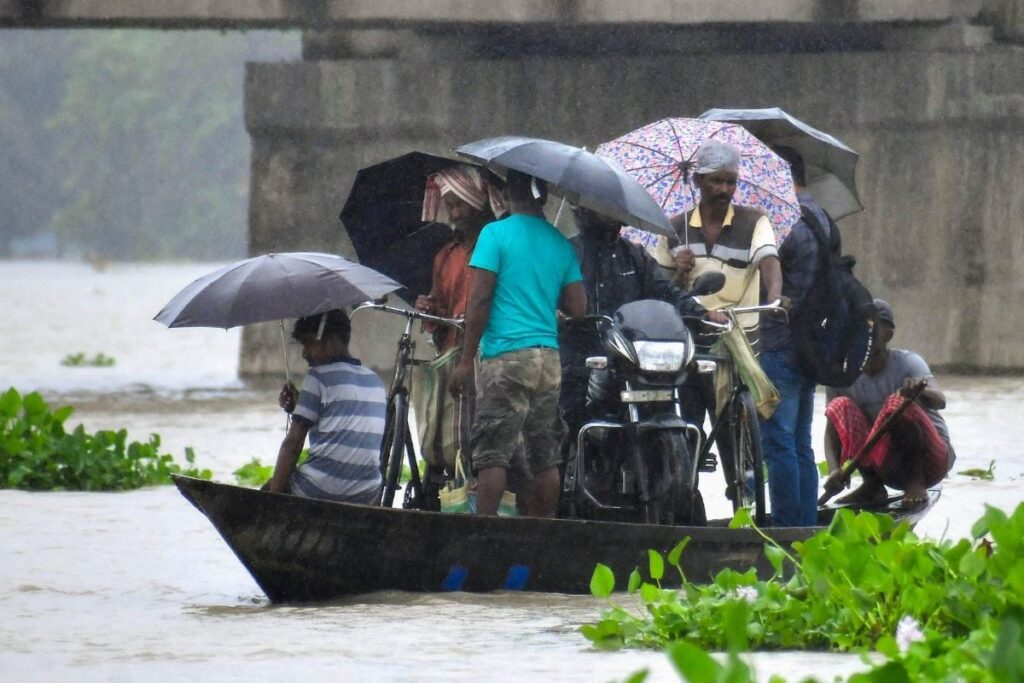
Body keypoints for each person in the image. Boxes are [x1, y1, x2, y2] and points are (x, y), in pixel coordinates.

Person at [449, 170, 586, 517]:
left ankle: (485, 532)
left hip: (507, 357)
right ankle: (542, 536)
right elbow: (578, 307)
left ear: (507, 194)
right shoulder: (559, 242)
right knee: (545, 456)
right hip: (548, 359)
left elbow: (478, 301)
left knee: (492, 452)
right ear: (542, 197)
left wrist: (465, 362)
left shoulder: (494, 234)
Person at [669, 140, 782, 496]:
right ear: (698, 181)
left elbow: (769, 261)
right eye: (716, 181)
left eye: (730, 182)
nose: (724, 190)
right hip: (690, 342)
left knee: (738, 431)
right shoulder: (675, 228)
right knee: (685, 426)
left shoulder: (753, 221)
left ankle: (745, 495)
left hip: (737, 341)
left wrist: (775, 296)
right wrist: (677, 270)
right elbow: (658, 289)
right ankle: (684, 499)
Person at [559, 204, 716, 442]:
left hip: (632, 359)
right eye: (604, 207)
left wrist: (701, 313)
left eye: (615, 208)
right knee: (567, 429)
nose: (612, 213)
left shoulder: (636, 256)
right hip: (584, 359)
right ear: (584, 208)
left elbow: (666, 292)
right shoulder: (568, 253)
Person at [822, 299, 955, 508]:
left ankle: (914, 482)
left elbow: (940, 401)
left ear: (888, 334)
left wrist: (918, 392)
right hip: (885, 463)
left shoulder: (908, 362)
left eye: (871, 328)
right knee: (840, 406)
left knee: (896, 402)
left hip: (930, 461)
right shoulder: (842, 374)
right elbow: (831, 431)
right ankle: (872, 484)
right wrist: (834, 471)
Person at [758, 146, 829, 526]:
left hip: (778, 339)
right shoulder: (822, 218)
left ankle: (786, 530)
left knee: (778, 442)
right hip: (811, 344)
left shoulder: (784, 222)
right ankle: (805, 526)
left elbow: (765, 271)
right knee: (800, 442)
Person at [270, 309, 387, 504]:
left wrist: (271, 501)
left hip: (320, 488)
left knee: (269, 490)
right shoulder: (375, 380)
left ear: (331, 342)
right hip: (368, 492)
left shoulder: (318, 377)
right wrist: (299, 408)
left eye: (309, 343)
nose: (304, 353)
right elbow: (347, 425)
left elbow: (292, 446)